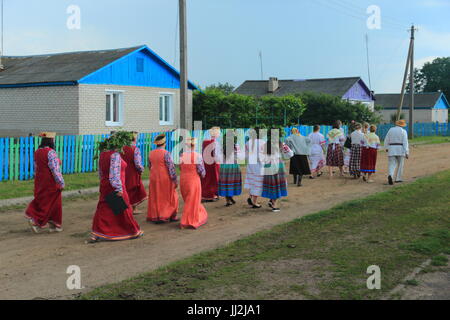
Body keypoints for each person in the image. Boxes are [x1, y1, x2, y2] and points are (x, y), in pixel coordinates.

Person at [91, 132, 143, 242]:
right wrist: (118, 188)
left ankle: (97, 232)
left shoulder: (102, 154)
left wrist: (103, 183)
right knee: (123, 209)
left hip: (105, 185)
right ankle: (131, 231)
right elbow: (114, 173)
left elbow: (100, 172)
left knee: (104, 208)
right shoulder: (114, 155)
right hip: (114, 185)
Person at [25, 132, 65, 234]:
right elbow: (55, 169)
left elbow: (36, 167)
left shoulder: (37, 151)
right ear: (51, 141)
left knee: (43, 199)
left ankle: (53, 224)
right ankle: (35, 221)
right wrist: (61, 182)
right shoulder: (51, 152)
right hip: (50, 181)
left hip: (40, 179)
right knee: (50, 202)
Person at [147, 133, 179, 223]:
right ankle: (166, 214)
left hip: (154, 177)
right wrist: (175, 180)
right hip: (164, 177)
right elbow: (171, 168)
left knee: (155, 196)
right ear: (164, 143)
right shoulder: (166, 153)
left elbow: (150, 166)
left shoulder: (151, 153)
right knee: (169, 196)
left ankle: (156, 215)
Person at [179, 137, 208, 229]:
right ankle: (187, 221)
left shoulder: (182, 155)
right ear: (194, 145)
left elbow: (180, 167)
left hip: (183, 180)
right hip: (193, 180)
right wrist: (202, 175)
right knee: (193, 200)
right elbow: (201, 170)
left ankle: (189, 218)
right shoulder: (197, 155)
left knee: (188, 200)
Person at [261, 130, 288, 213]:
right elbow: (289, 153)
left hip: (268, 166)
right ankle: (274, 204)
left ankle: (271, 200)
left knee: (273, 184)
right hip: (278, 165)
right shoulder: (281, 144)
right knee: (278, 184)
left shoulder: (265, 144)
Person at [121, 132, 147, 213]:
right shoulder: (135, 149)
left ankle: (125, 208)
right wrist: (141, 170)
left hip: (123, 171)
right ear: (134, 139)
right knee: (134, 188)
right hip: (132, 171)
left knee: (125, 188)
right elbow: (137, 163)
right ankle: (133, 209)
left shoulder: (121, 148)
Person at [218, 130, 243, 207]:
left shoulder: (222, 147)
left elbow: (219, 157)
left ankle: (228, 200)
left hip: (224, 167)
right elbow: (240, 157)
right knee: (232, 182)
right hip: (233, 166)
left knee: (226, 183)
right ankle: (230, 196)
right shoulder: (236, 146)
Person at [244, 128, 265, 208]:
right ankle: (254, 202)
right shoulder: (262, 142)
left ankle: (250, 197)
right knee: (258, 183)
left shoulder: (248, 143)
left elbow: (246, 155)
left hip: (250, 164)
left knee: (252, 181)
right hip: (259, 165)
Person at [384, 119, 409, 185]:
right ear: (402, 125)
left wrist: (386, 147)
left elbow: (386, 139)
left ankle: (390, 175)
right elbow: (405, 142)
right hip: (400, 149)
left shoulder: (391, 130)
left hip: (391, 148)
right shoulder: (403, 131)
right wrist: (407, 152)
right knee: (400, 164)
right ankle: (398, 178)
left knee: (391, 164)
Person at [201, 127, 221, 202]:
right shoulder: (215, 143)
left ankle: (205, 194)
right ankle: (213, 194)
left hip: (206, 163)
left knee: (207, 178)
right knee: (214, 178)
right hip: (214, 163)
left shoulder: (205, 142)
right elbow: (216, 155)